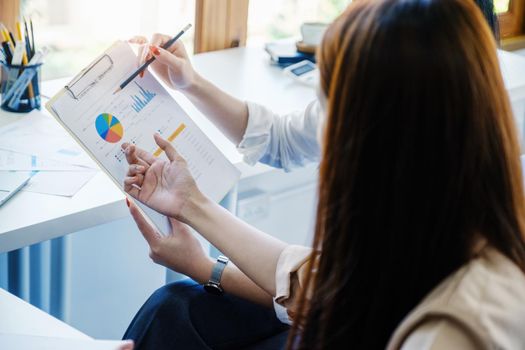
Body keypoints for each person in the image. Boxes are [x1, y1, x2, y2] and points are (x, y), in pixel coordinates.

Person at [122, 0, 525, 349]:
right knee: (173, 310)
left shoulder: (452, 330)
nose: (323, 132)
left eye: (330, 108)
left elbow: (332, 295)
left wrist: (206, 254)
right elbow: (336, 286)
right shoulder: (450, 191)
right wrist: (195, 221)